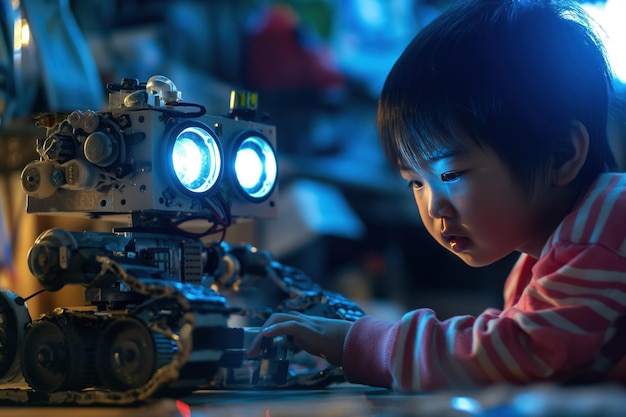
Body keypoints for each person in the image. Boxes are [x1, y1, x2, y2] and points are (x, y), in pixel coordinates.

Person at [247, 0, 626, 391]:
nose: (433, 207)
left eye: (452, 173)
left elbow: (518, 351)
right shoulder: (549, 257)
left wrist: (352, 342)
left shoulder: (604, 225)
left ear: (560, 153)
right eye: (415, 182)